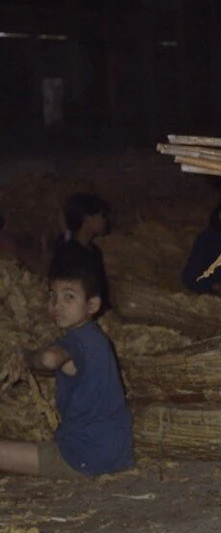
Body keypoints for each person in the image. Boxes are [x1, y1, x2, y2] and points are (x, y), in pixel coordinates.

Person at [0, 248, 133, 477]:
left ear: (92, 305)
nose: (57, 305)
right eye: (53, 296)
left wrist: (24, 357)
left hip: (85, 457)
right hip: (114, 451)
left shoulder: (78, 340)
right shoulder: (96, 338)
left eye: (69, 296)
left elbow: (50, 359)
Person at [51, 192, 110, 309]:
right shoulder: (68, 253)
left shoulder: (94, 252)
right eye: (101, 215)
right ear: (87, 218)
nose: (105, 220)